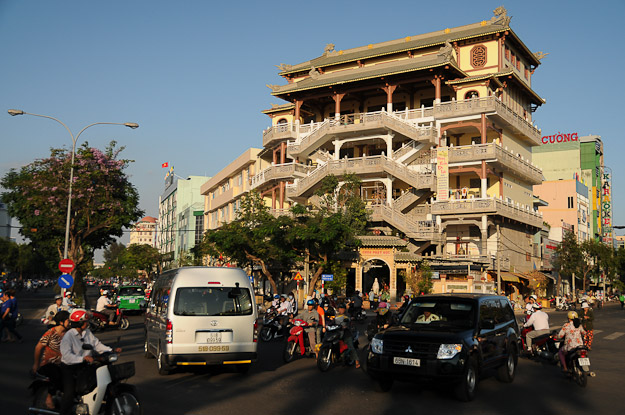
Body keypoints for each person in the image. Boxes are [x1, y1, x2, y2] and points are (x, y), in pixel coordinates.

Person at [59, 309, 121, 415]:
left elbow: (97, 345)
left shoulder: (87, 332)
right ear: (80, 322)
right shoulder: (68, 336)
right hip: (69, 368)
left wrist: (111, 350)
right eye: (85, 322)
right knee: (69, 394)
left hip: (84, 365)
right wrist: (82, 358)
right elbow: (67, 356)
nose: (87, 324)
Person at [32, 310, 70, 410]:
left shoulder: (69, 333)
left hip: (65, 363)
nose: (69, 323)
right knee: (55, 374)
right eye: (68, 321)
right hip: (49, 364)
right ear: (61, 322)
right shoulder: (51, 333)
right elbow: (38, 348)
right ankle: (48, 398)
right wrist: (36, 364)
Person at [334, 303, 360, 368]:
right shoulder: (336, 315)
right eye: (339, 309)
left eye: (342, 309)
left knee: (350, 347)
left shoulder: (347, 315)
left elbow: (349, 322)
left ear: (344, 309)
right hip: (338, 333)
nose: (341, 310)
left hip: (347, 333)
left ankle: (357, 361)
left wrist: (346, 326)